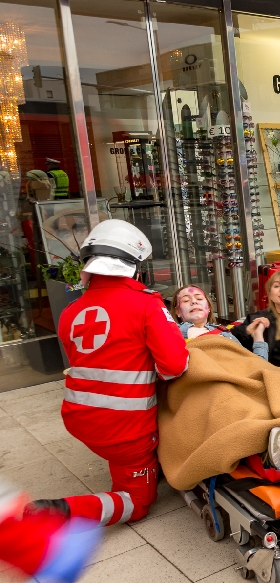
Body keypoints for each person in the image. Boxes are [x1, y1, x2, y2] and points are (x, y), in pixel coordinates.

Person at [26, 220, 189, 526]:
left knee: (123, 456)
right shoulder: (146, 305)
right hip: (126, 431)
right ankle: (62, 512)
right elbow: (175, 365)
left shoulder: (70, 312)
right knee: (137, 502)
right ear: (134, 267)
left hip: (78, 418)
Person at [172, 284, 269, 360]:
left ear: (209, 307)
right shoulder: (172, 333)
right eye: (186, 300)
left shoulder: (225, 332)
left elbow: (258, 366)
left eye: (199, 298)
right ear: (177, 312)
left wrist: (258, 336)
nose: (194, 302)